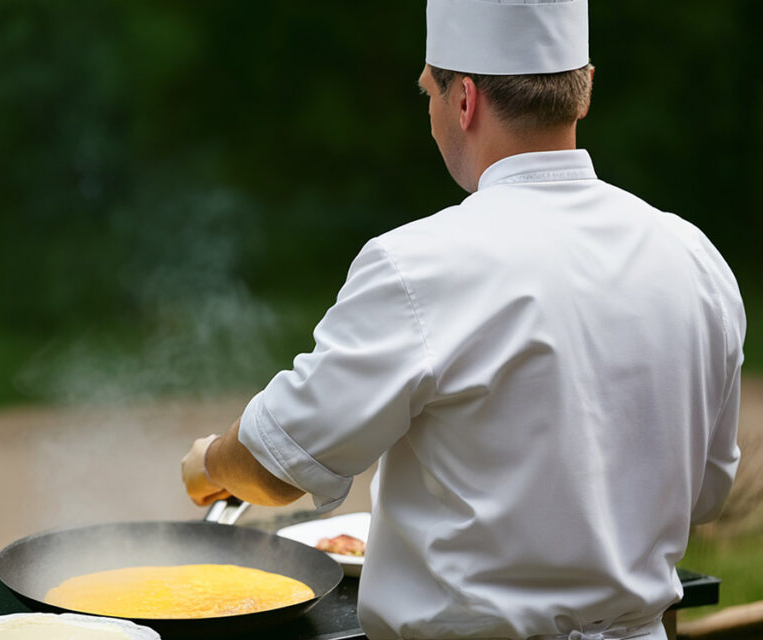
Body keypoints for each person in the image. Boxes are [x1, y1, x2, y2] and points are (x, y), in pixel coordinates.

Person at [181, 1, 745, 638]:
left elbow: (278, 459)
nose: (429, 113)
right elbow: (705, 495)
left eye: (429, 92)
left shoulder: (420, 265)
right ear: (582, 91)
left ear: (465, 100)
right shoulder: (695, 260)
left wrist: (208, 465)